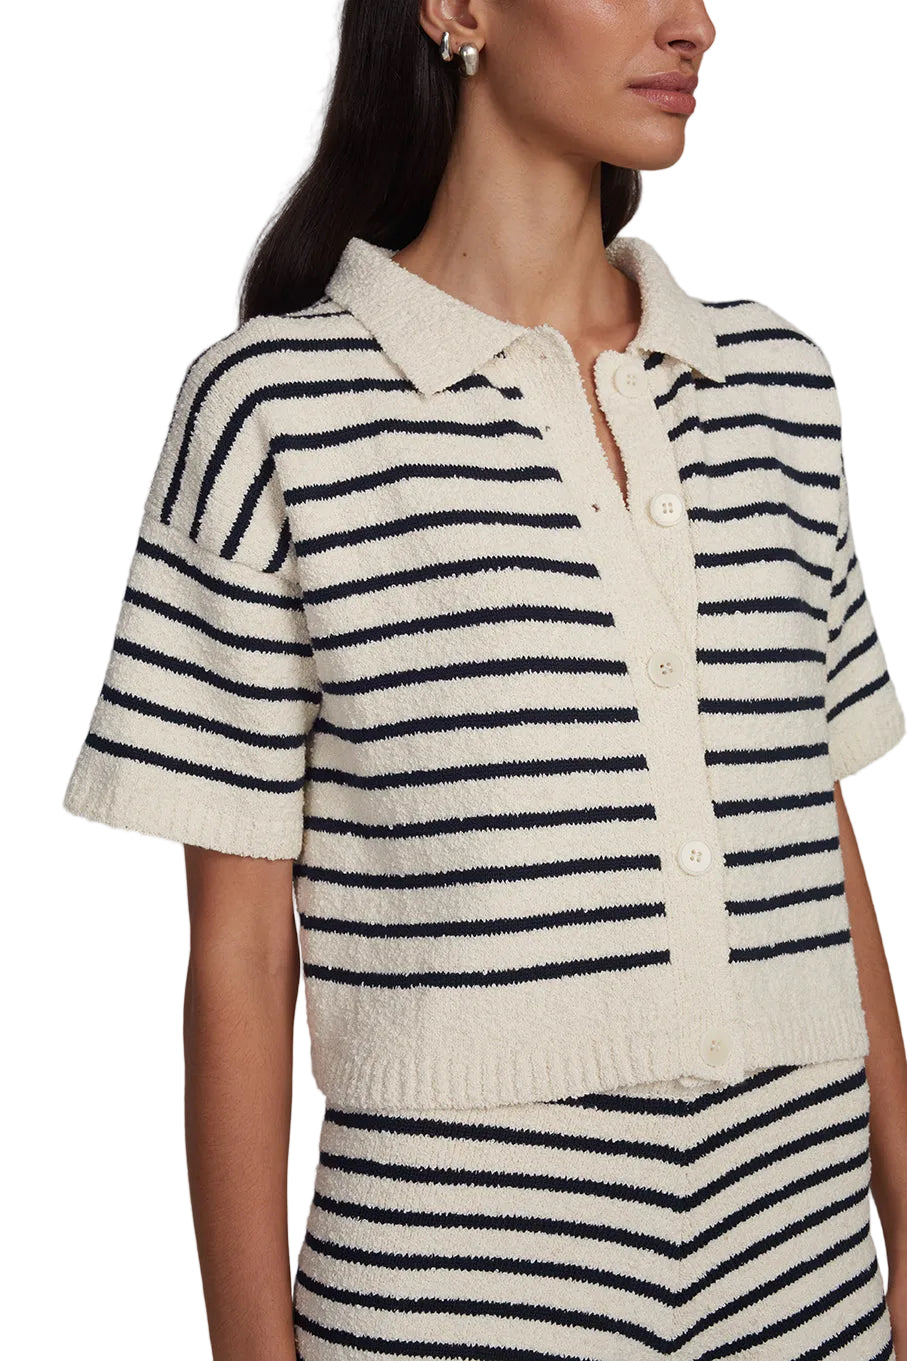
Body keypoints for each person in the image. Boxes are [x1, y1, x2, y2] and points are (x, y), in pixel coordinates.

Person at [62, 1, 907, 1358]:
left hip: (804, 1287)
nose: (695, 25)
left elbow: (813, 837)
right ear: (457, 9)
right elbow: (238, 955)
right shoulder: (276, 411)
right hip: (453, 1294)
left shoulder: (774, 389)